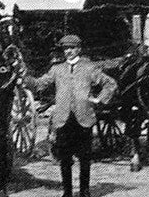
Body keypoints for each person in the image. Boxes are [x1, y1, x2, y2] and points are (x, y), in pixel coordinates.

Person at [29, 34, 117, 197]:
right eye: (65, 49)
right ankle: (67, 192)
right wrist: (24, 78)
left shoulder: (89, 68)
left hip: (83, 118)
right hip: (63, 119)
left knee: (84, 157)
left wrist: (99, 100)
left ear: (79, 49)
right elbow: (40, 84)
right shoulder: (57, 69)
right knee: (65, 158)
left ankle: (84, 191)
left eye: (72, 48)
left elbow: (110, 83)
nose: (68, 51)